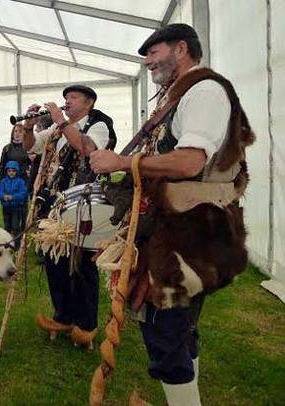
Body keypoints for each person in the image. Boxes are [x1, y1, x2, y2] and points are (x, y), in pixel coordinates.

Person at [89, 24, 253, 405]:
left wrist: (123, 161)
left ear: (181, 49)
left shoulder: (205, 91)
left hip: (190, 233)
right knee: (179, 331)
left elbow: (190, 161)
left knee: (165, 333)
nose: (147, 62)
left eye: (153, 53)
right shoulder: (183, 94)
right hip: (185, 230)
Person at [35, 84, 116, 349]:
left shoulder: (99, 124)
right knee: (55, 259)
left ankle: (86, 325)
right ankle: (64, 316)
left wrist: (59, 120)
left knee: (81, 264)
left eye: (73, 97)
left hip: (85, 202)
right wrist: (27, 128)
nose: (67, 102)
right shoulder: (59, 127)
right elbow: (31, 147)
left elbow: (87, 148)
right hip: (58, 202)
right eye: (66, 98)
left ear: (89, 102)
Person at [0, 161, 28, 248]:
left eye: (13, 171)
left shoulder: (20, 181)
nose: (11, 173)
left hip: (16, 208)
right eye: (9, 171)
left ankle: (16, 245)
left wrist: (12, 197)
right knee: (7, 226)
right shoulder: (3, 181)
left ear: (17, 171)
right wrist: (3, 196)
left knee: (15, 226)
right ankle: (7, 243)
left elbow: (23, 194)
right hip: (6, 207)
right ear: (6, 171)